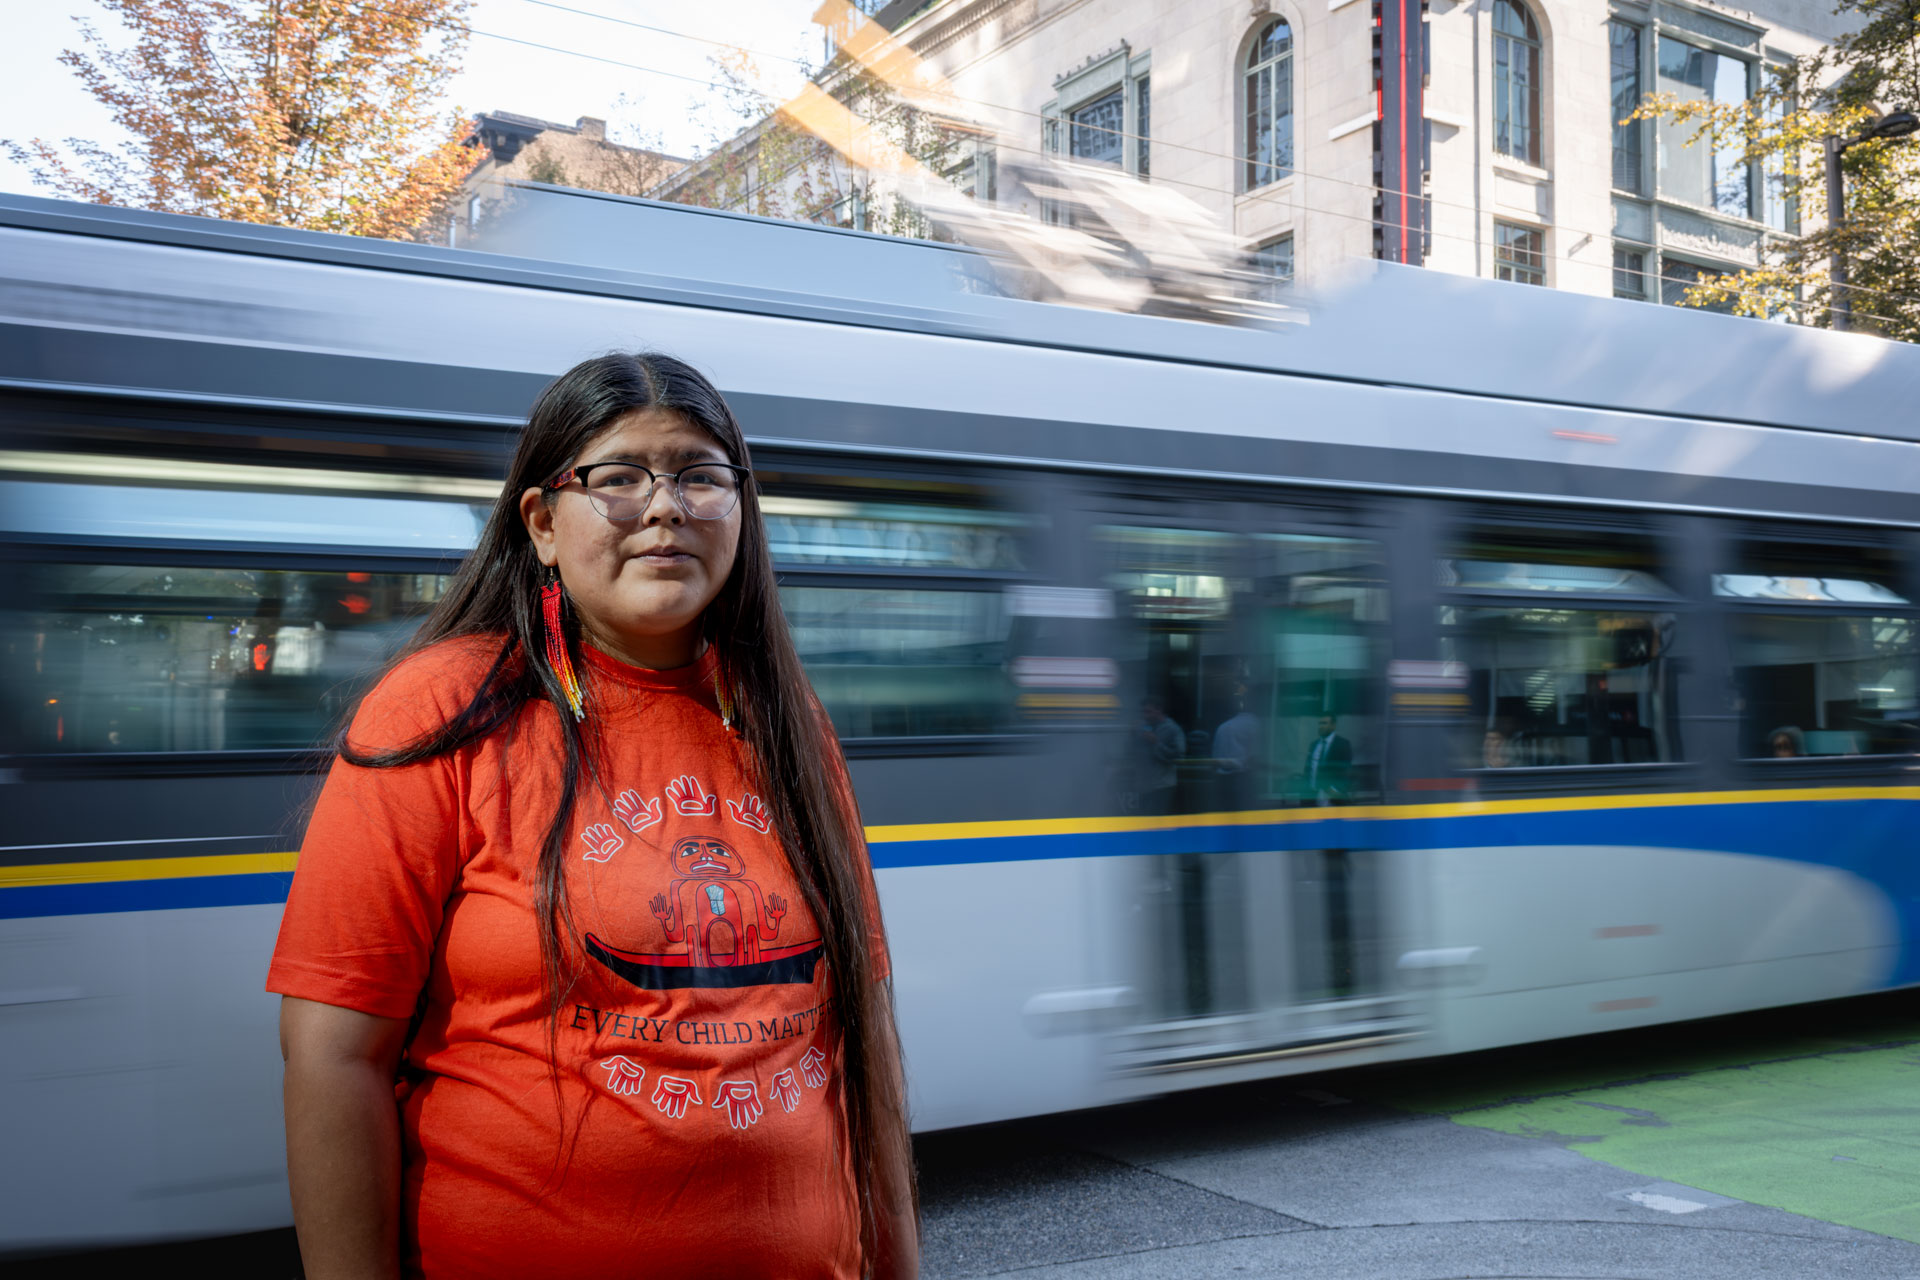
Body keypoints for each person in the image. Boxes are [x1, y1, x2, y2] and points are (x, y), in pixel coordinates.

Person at [268, 354, 917, 1280]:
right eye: (619, 478)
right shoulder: (440, 710)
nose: (667, 507)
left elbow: (866, 1028)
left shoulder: (788, 720)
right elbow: (331, 1058)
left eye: (701, 475)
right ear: (540, 522)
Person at [1138, 697, 1185, 815]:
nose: (1145, 716)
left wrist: (1156, 743)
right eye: (1143, 712)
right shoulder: (1145, 727)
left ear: (1159, 710)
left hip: (1163, 786)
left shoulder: (1172, 729)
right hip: (1146, 785)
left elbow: (1179, 755)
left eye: (1148, 712)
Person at [1302, 713, 1352, 804]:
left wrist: (1336, 791)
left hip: (1333, 797)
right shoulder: (1314, 745)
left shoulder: (1343, 744)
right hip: (1312, 796)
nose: (1320, 726)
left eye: (1324, 723)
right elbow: (1308, 769)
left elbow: (1346, 770)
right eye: (1320, 723)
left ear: (1333, 725)